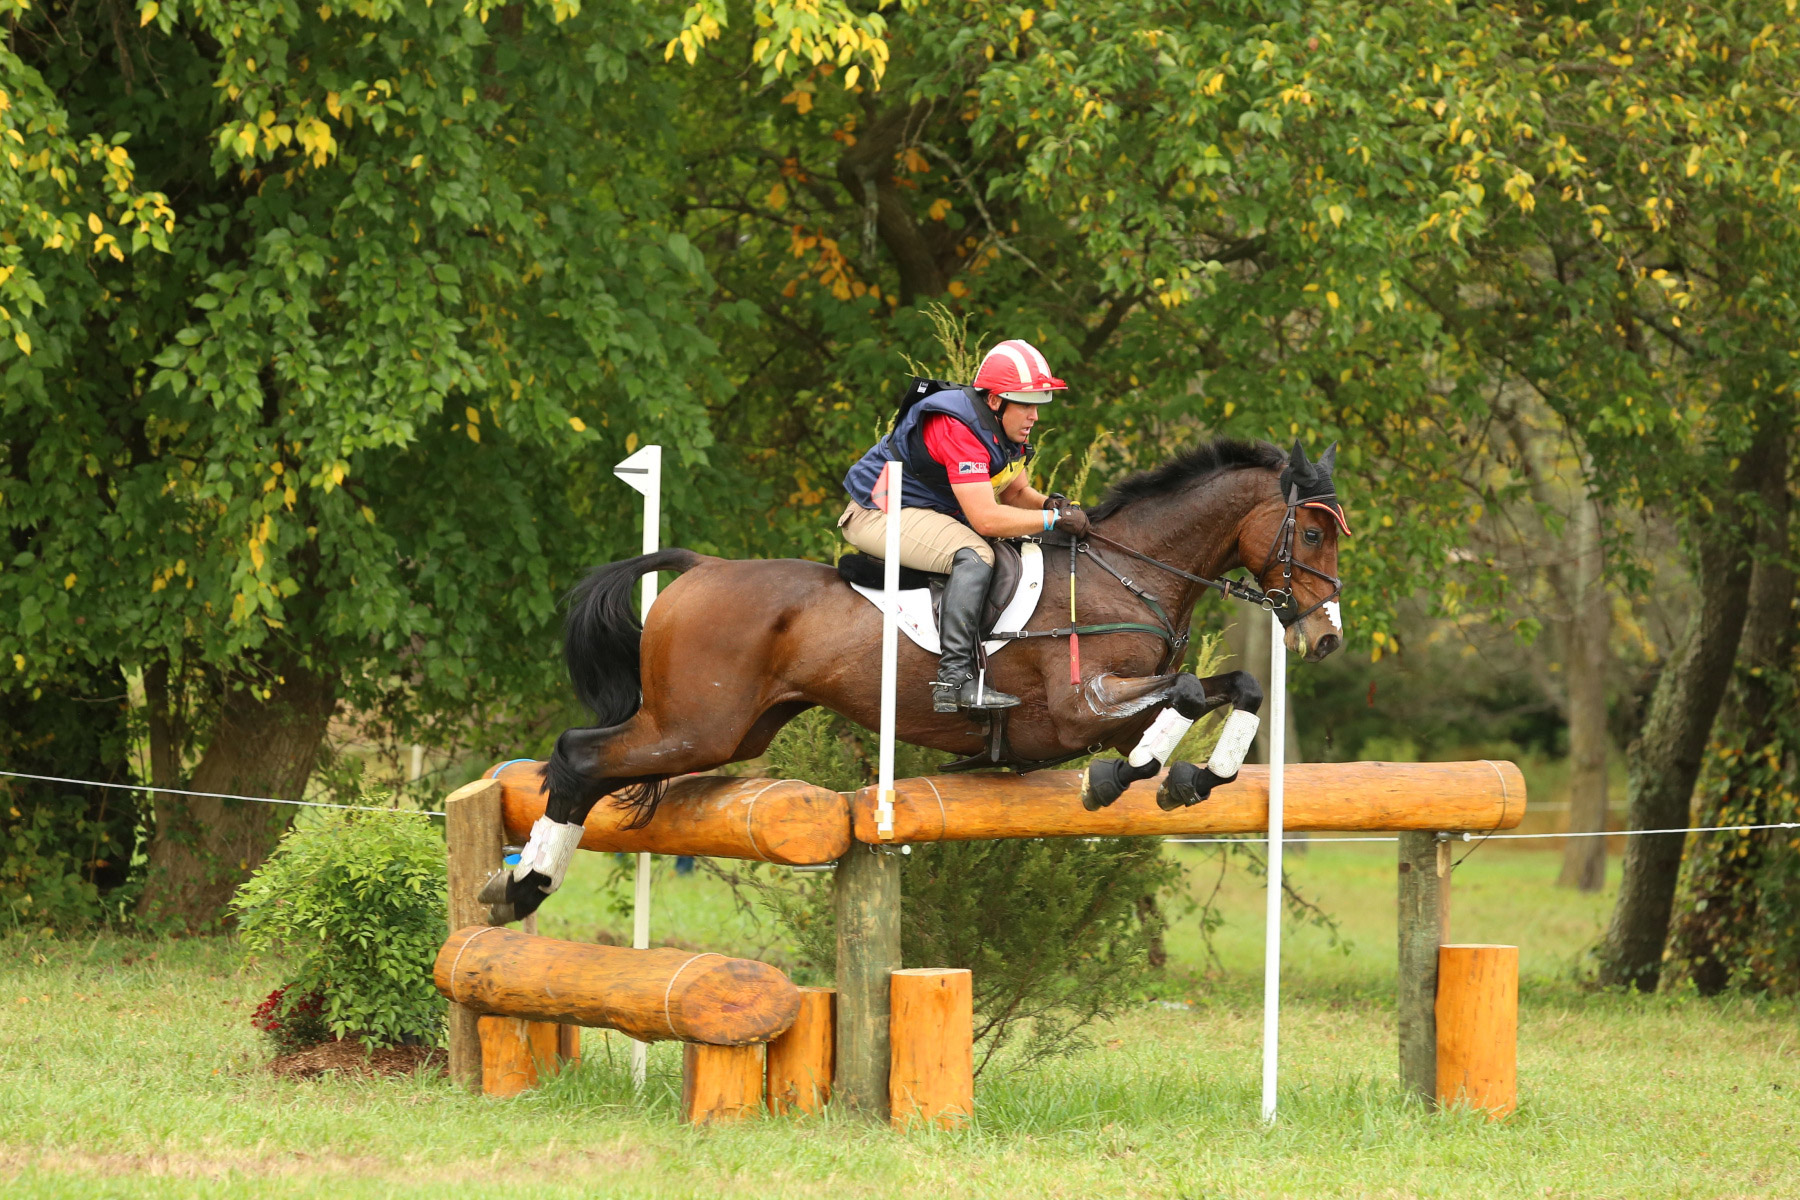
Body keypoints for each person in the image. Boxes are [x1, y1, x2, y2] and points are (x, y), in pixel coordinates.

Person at [840, 339, 1090, 713]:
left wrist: (1050, 505)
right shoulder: (958, 428)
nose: (1034, 417)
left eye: (1038, 405)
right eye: (1026, 404)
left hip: (918, 511)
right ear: (994, 401)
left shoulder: (1004, 429)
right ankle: (953, 680)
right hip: (876, 512)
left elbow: (1015, 491)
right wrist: (1052, 521)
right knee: (975, 555)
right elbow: (987, 519)